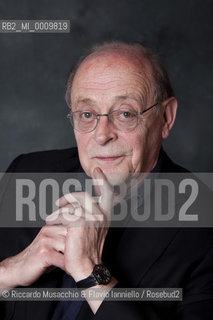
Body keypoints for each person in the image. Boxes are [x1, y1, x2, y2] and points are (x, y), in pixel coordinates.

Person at [0, 41, 213, 320]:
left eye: (125, 114)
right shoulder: (27, 172)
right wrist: (6, 274)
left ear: (165, 118)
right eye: (87, 115)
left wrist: (93, 275)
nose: (102, 135)